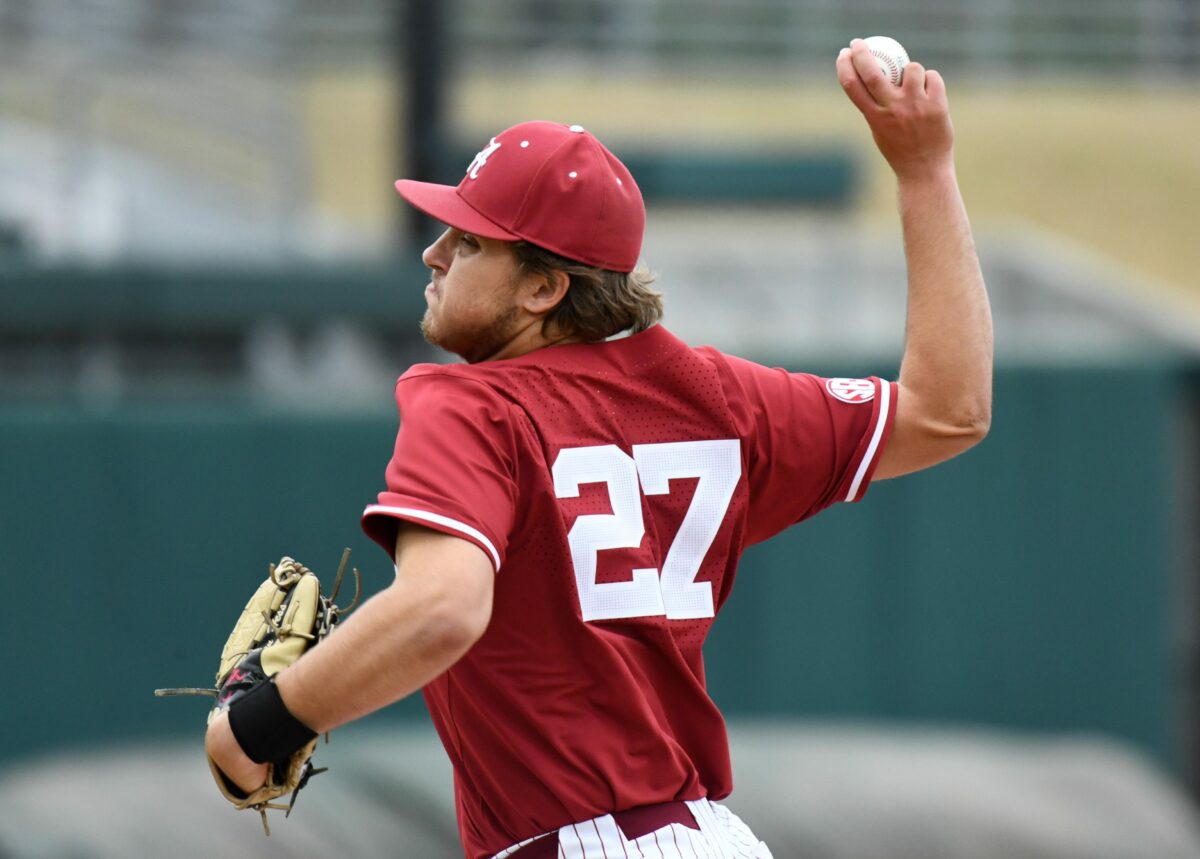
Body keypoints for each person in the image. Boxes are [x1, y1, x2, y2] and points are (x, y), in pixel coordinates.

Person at [206, 39, 992, 859]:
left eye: (470, 242)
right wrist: (925, 170)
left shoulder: (474, 405)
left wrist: (258, 726)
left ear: (545, 288)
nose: (435, 252)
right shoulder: (714, 396)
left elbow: (444, 608)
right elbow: (950, 412)